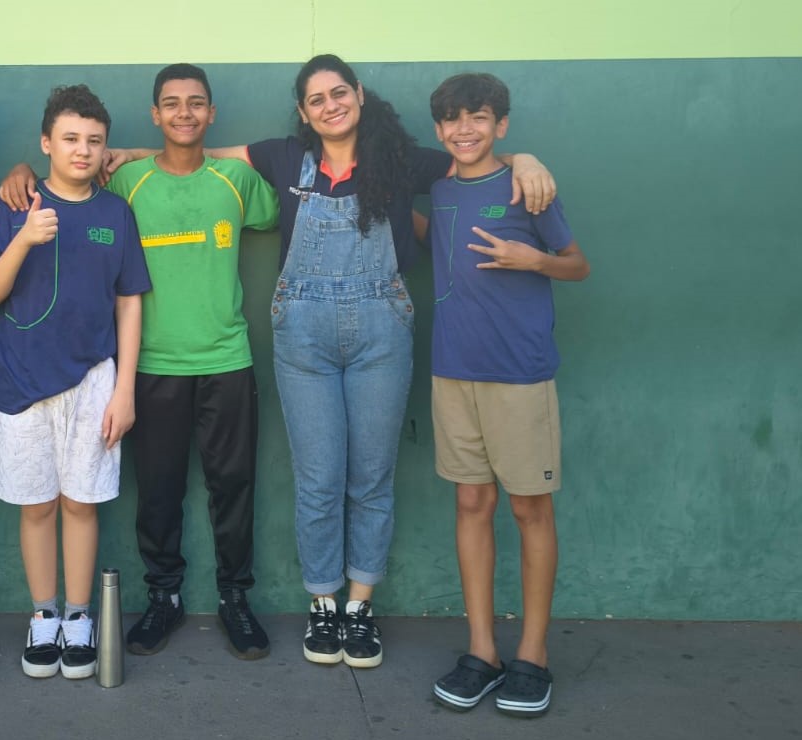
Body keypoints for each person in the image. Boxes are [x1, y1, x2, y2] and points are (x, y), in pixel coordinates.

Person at [107, 53, 555, 669]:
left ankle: (359, 605)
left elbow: (474, 159)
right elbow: (193, 148)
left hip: (382, 330)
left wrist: (524, 160)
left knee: (370, 477)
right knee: (318, 479)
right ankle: (323, 603)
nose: (330, 105)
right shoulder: (281, 158)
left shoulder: (400, 160)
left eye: (338, 93)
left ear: (359, 95)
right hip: (304, 337)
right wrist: (121, 153)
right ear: (303, 111)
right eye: (316, 99)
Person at [0, 64, 279, 659]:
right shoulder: (126, 184)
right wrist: (20, 172)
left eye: (196, 104)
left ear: (211, 113)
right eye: (171, 104)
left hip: (226, 358)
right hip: (150, 366)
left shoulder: (236, 182)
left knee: (234, 485)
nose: (184, 113)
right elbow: (63, 177)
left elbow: (293, 205)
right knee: (157, 491)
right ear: (155, 114)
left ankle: (235, 599)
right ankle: (163, 599)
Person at [424, 72, 588, 717]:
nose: (465, 129)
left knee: (529, 512)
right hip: (451, 372)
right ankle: (483, 652)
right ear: (439, 130)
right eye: (453, 120)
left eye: (479, 117)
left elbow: (578, 264)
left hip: (519, 375)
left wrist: (536, 261)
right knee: (471, 502)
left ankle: (534, 657)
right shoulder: (437, 190)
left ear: (502, 125)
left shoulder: (528, 185)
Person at [0, 84, 151, 679]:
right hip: (22, 380)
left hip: (94, 380)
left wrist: (124, 388)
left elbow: (129, 302)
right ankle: (43, 614)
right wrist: (24, 237)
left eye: (94, 142)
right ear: (46, 142)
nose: (82, 150)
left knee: (80, 502)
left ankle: (80, 616)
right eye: (70, 139)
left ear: (107, 150)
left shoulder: (114, 213)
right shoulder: (15, 205)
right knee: (38, 506)